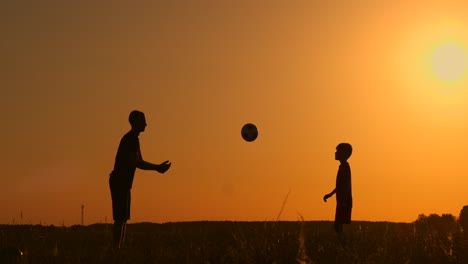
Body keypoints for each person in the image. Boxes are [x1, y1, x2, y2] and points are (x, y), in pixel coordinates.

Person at [109, 110, 171, 249]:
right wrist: (157, 168)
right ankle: (115, 251)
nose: (146, 123)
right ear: (135, 121)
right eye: (143, 120)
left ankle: (118, 250)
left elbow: (139, 161)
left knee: (123, 218)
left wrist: (157, 167)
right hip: (120, 182)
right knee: (120, 219)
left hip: (124, 183)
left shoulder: (134, 139)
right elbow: (136, 162)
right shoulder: (130, 139)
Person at [323, 143, 353, 246]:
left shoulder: (345, 167)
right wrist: (330, 194)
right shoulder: (342, 166)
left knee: (338, 226)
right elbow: (340, 185)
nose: (335, 153)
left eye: (337, 151)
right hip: (342, 200)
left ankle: (345, 246)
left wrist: (343, 200)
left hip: (343, 201)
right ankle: (344, 245)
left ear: (344, 153)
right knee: (338, 226)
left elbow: (346, 185)